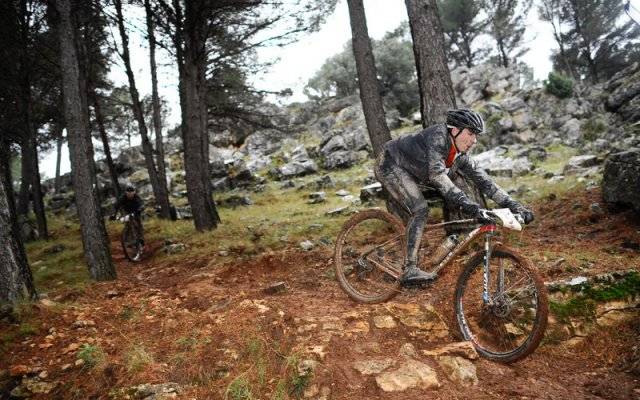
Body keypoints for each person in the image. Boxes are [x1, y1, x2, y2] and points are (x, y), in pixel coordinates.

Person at [374, 108, 534, 285]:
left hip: (416, 171)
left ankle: (414, 254)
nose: (474, 140)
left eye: (476, 135)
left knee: (432, 205)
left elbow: (486, 184)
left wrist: (515, 205)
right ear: (455, 130)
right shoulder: (438, 137)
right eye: (471, 133)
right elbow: (436, 175)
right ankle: (410, 269)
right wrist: (468, 205)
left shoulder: (461, 156)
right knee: (420, 209)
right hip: (390, 162)